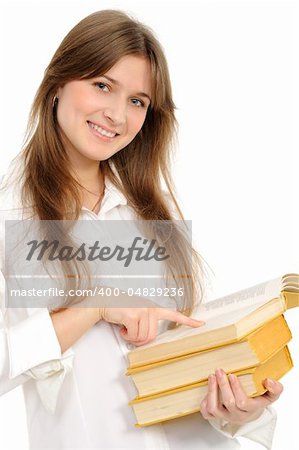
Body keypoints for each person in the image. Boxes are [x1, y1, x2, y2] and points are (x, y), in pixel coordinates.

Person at [0, 9, 283, 449]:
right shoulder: (9, 214)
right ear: (58, 83)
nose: (117, 115)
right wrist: (93, 307)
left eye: (137, 101)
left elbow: (189, 354)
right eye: (102, 86)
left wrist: (240, 412)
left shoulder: (152, 211)